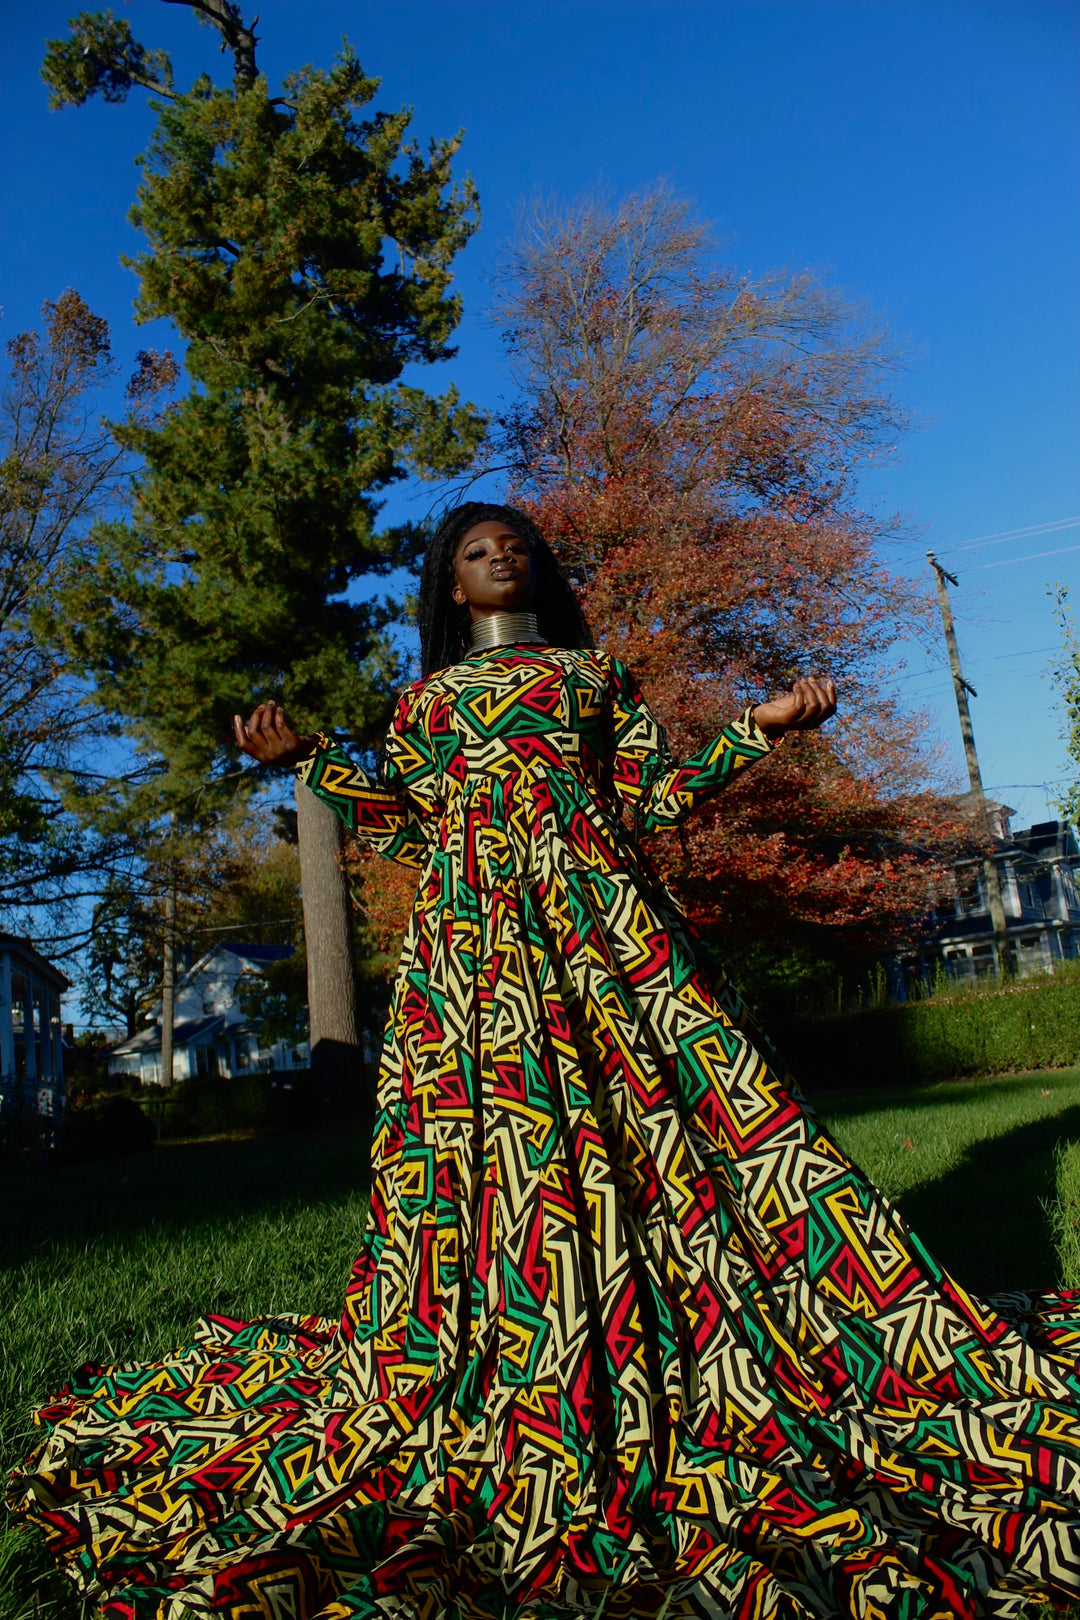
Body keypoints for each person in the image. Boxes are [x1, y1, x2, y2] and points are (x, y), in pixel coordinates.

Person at [9, 502, 1080, 1620]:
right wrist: (313, 762)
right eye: (474, 552)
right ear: (450, 586)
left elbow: (654, 797)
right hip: (478, 958)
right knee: (497, 1139)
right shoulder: (422, 703)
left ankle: (699, 1296)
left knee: (694, 1108)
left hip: (611, 933)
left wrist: (756, 729)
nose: (500, 556)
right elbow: (408, 826)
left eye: (512, 544)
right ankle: (520, 1324)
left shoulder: (590, 678)